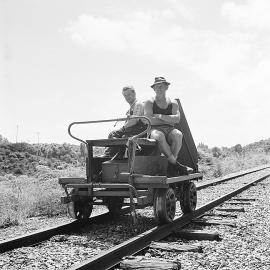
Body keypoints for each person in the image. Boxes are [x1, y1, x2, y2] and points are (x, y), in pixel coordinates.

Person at [144, 77, 193, 176]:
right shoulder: (149, 102)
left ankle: (171, 165)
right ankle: (176, 165)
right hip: (154, 130)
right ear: (154, 89)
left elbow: (177, 119)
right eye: (157, 87)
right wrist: (168, 119)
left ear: (166, 87)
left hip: (170, 129)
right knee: (159, 136)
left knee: (178, 135)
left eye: (162, 86)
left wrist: (160, 116)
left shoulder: (173, 103)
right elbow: (148, 120)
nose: (159, 88)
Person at [103, 85, 146, 158]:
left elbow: (134, 121)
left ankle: (109, 155)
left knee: (114, 134)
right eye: (125, 95)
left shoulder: (139, 104)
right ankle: (114, 155)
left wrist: (122, 128)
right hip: (131, 131)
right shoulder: (130, 108)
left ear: (134, 93)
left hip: (139, 131)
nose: (127, 97)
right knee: (115, 135)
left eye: (129, 94)